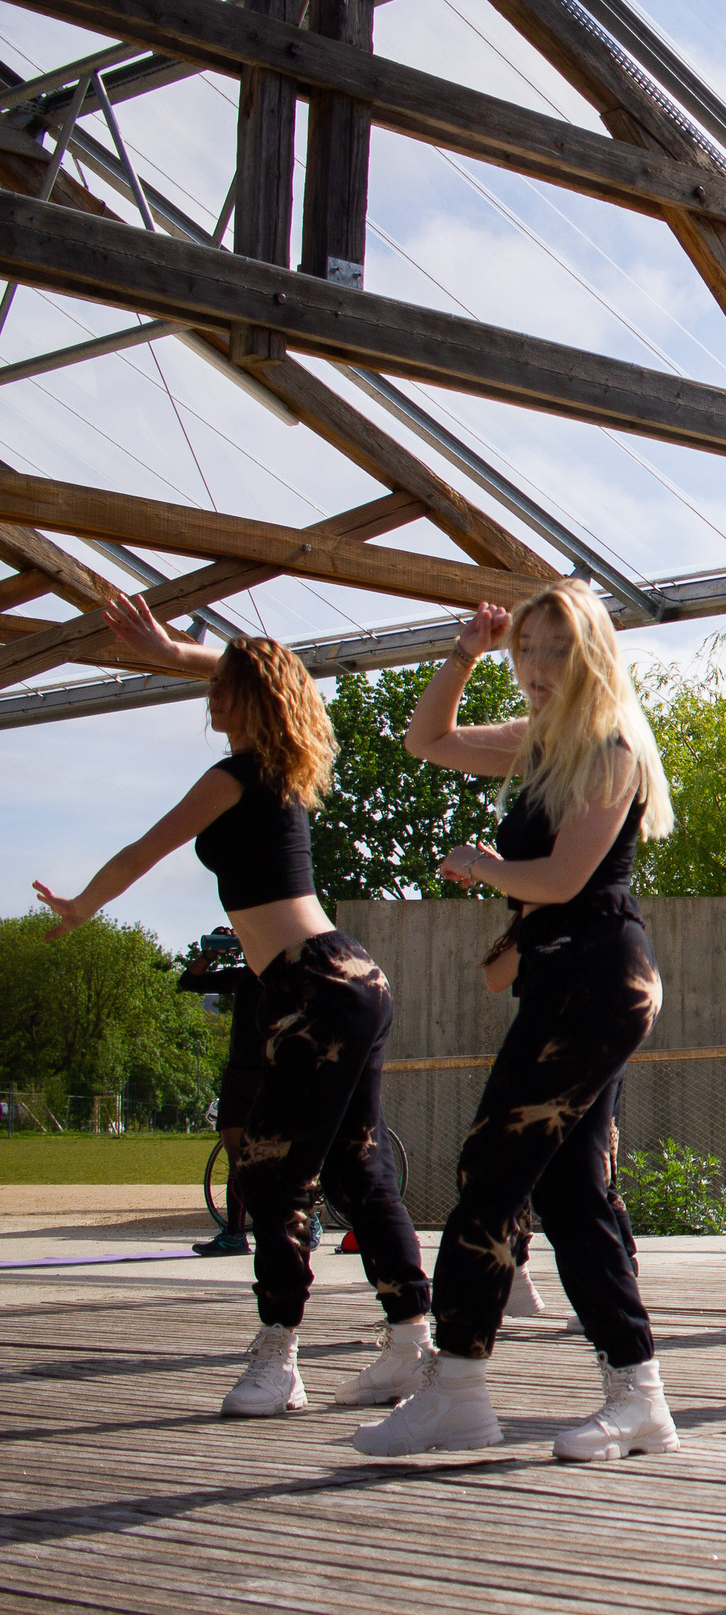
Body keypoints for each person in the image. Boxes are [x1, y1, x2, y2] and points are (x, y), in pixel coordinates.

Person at [34, 596, 430, 1416]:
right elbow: (261, 669)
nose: (207, 703)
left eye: (218, 693)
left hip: (309, 984)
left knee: (270, 1170)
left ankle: (280, 1356)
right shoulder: (285, 764)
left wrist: (79, 907)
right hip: (350, 978)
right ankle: (410, 1343)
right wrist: (169, 651)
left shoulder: (237, 775)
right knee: (356, 1166)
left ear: (246, 701)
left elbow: (145, 849)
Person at [354, 582, 677, 1459]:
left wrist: (487, 864)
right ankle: (638, 1394)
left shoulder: (610, 746)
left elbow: (565, 880)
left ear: (592, 656)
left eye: (555, 649)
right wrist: (464, 652)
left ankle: (456, 1383)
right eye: (525, 649)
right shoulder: (541, 744)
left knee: (490, 1166)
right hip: (563, 980)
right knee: (572, 1190)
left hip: (600, 983)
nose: (534, 667)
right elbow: (428, 741)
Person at [177, 925, 258, 1258]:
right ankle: (235, 1235)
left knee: (285, 1158)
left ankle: (304, 1222)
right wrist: (210, 953)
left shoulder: (294, 974)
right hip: (240, 1075)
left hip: (277, 1075)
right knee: (238, 1159)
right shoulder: (244, 977)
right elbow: (189, 982)